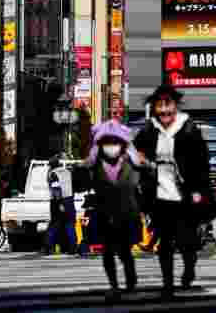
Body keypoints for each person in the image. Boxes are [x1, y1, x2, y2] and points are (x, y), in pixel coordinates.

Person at [133, 84, 213, 300]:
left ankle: (189, 267)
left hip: (184, 194)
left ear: (175, 106)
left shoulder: (187, 127)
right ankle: (167, 284)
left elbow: (202, 161)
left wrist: (199, 189)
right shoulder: (149, 129)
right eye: (159, 105)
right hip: (159, 194)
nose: (164, 110)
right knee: (165, 243)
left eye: (168, 105)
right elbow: (136, 150)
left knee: (186, 241)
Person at [75, 121, 142, 303]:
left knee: (124, 252)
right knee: (107, 253)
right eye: (106, 142)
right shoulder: (95, 164)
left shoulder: (132, 164)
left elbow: (140, 183)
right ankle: (114, 284)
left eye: (114, 142)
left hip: (127, 214)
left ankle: (130, 281)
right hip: (105, 214)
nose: (110, 146)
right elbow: (84, 182)